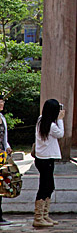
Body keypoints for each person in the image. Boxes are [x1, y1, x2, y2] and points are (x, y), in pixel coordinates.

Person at [33, 99, 65, 229]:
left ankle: (44, 215)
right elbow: (61, 134)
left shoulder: (41, 120)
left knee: (49, 186)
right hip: (46, 159)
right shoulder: (52, 126)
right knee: (45, 187)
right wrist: (61, 119)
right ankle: (38, 217)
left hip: (42, 158)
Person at [0, 95, 12, 226]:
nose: (2, 104)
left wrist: (7, 147)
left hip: (1, 157)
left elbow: (4, 137)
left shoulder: (2, 118)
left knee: (1, 186)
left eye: (2, 102)